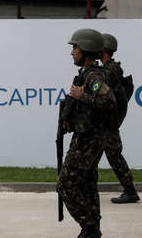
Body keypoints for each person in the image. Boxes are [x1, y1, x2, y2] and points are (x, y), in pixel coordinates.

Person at [57, 28, 116, 238]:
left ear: (86, 50)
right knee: (88, 184)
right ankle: (94, 228)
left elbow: (109, 102)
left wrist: (83, 97)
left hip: (90, 139)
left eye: (75, 48)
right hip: (85, 136)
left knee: (65, 184)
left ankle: (89, 226)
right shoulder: (86, 75)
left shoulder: (93, 76)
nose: (72, 52)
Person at [100, 33, 140, 204]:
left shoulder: (110, 70)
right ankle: (129, 190)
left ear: (104, 49)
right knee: (110, 154)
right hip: (107, 122)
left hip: (108, 122)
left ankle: (130, 191)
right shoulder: (110, 68)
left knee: (114, 155)